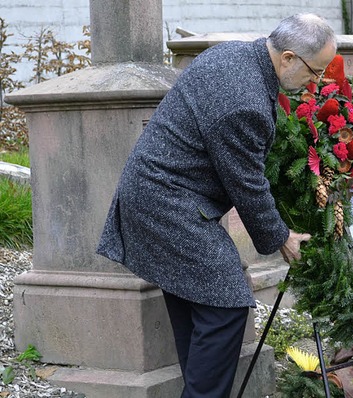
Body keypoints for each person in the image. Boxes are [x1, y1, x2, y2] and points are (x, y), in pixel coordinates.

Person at [96, 13, 336, 398]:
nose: (317, 81)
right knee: (225, 305)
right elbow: (246, 183)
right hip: (167, 202)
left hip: (161, 195)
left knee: (197, 301)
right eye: (315, 71)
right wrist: (281, 237)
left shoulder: (235, 55)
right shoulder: (244, 102)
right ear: (288, 57)